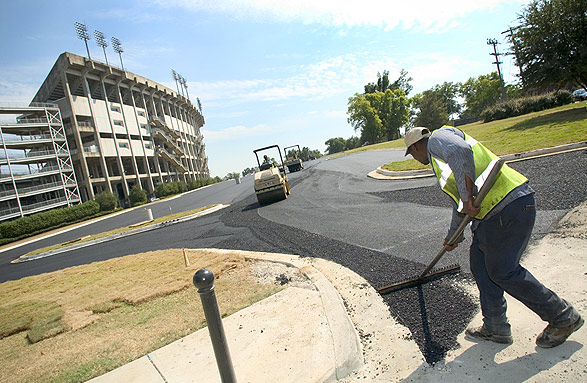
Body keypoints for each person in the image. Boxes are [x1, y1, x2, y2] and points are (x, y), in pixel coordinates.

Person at [404, 126, 583, 348]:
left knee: (503, 271)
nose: (414, 157)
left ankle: (563, 317)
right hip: (490, 217)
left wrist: (468, 197)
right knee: (480, 266)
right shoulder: (439, 164)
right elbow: (460, 205)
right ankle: (495, 327)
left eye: (411, 153)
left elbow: (461, 152)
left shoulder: (439, 139)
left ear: (414, 147)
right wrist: (453, 237)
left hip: (507, 206)